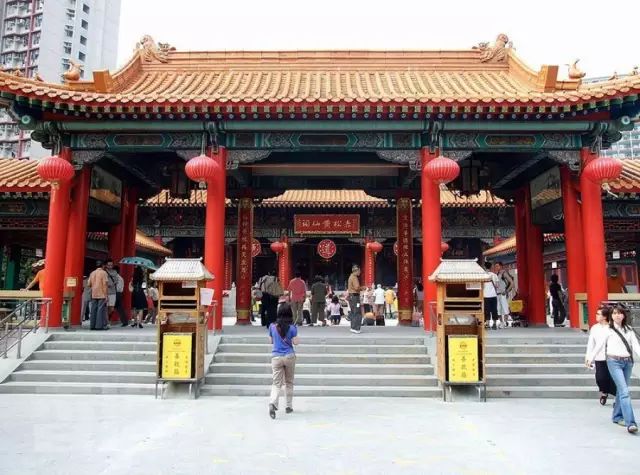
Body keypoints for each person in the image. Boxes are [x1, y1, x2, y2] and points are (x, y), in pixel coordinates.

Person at [587, 304, 640, 434]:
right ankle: (631, 422)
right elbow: (599, 345)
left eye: (619, 313)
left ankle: (616, 416)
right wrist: (590, 358)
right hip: (614, 362)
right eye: (614, 313)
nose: (617, 315)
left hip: (627, 362)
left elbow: (636, 346)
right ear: (611, 316)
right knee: (624, 391)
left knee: (622, 391)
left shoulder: (629, 329)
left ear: (624, 315)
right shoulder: (608, 330)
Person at [268, 303, 299, 419]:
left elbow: (271, 341)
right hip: (289, 356)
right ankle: (288, 406)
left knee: (276, 383)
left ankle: (273, 403)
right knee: (289, 382)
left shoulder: (272, 326)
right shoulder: (292, 328)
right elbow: (296, 342)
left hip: (276, 357)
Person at [585, 305, 616, 405]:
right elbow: (591, 344)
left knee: (613, 377)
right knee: (600, 378)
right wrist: (588, 357)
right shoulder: (594, 328)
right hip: (599, 357)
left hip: (612, 356)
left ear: (605, 316)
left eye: (598, 314)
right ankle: (604, 391)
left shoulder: (612, 327)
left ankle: (616, 397)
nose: (596, 315)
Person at [87, 261, 109, 330]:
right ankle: (99, 326)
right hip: (101, 293)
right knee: (100, 310)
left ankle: (92, 325)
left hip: (94, 293)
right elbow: (105, 285)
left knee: (93, 309)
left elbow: (88, 284)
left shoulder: (92, 273)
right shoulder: (104, 273)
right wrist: (106, 295)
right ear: (102, 266)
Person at [483, 261, 500, 330]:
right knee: (494, 309)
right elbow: (497, 286)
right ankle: (494, 324)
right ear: (491, 267)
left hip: (485, 295)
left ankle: (487, 324)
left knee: (486, 310)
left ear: (484, 267)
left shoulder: (482, 275)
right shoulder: (494, 275)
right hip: (493, 295)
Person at [347, 265, 364, 334]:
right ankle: (356, 328)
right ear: (356, 271)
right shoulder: (354, 277)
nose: (360, 272)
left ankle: (353, 327)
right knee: (357, 312)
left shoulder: (351, 277)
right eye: (359, 271)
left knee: (353, 312)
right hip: (355, 297)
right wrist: (363, 288)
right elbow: (357, 287)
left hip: (352, 296)